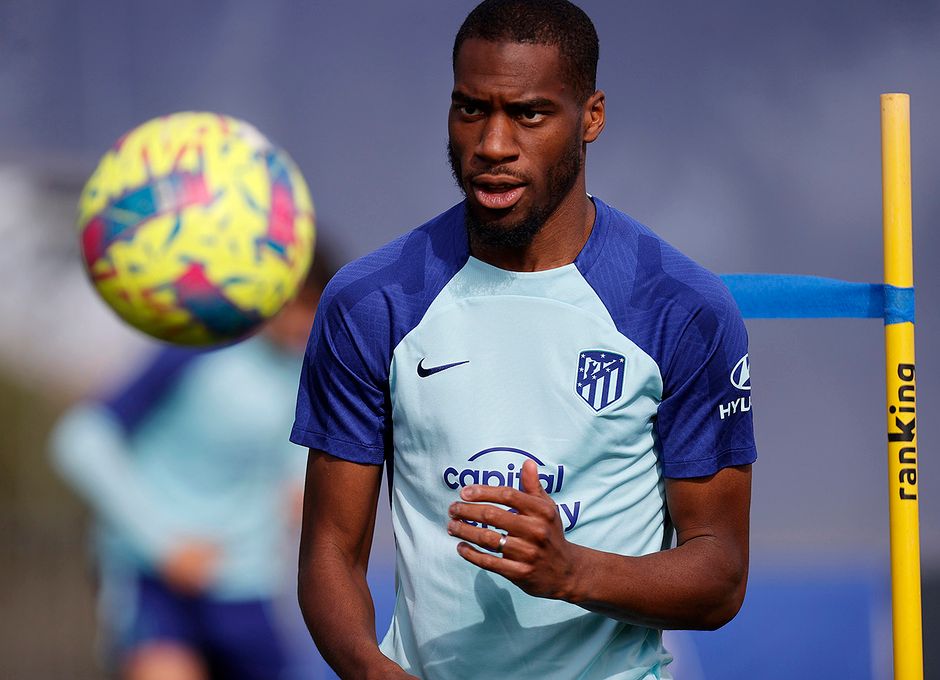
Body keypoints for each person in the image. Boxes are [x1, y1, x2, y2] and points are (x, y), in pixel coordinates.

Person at [292, 1, 756, 678]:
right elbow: (330, 551)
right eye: (471, 109)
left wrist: (571, 571)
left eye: (529, 114)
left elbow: (720, 574)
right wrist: (369, 668)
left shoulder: (682, 309)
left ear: (590, 116)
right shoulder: (371, 303)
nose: (492, 145)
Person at [50, 249, 336, 680]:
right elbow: (82, 441)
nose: (309, 322)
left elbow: (293, 477)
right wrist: (163, 545)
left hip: (247, 587)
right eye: (305, 305)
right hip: (156, 581)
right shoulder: (196, 349)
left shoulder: (309, 375)